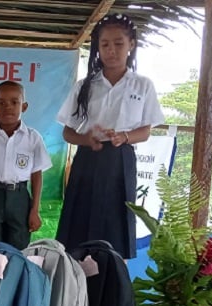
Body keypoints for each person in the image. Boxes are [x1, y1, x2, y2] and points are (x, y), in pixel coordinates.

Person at [54, 13, 164, 260]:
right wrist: (87, 139)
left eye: (118, 44)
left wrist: (123, 137)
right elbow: (67, 132)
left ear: (131, 45)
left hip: (120, 160)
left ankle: (112, 282)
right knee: (80, 223)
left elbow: (145, 131)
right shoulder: (85, 85)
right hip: (88, 159)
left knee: (116, 223)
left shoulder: (142, 85)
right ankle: (78, 283)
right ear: (97, 48)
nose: (111, 50)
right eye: (104, 44)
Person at [0, 80, 52, 256]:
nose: (8, 107)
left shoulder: (33, 138)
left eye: (14, 102)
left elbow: (37, 176)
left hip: (20, 199)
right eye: (1, 103)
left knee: (18, 251)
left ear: (24, 106)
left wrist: (34, 210)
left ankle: (13, 283)